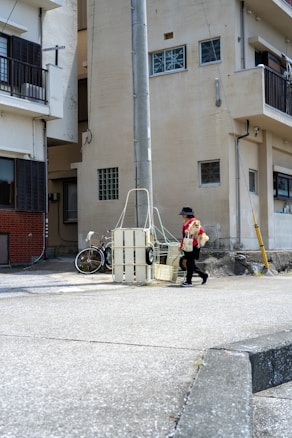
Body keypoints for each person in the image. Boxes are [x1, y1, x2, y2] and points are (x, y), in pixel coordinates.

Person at [178, 206, 208, 287]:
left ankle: (189, 281)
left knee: (190, 263)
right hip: (187, 245)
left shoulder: (194, 222)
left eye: (184, 214)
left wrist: (193, 232)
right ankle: (203, 275)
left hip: (193, 245)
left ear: (188, 215)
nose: (183, 216)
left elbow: (201, 231)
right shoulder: (185, 222)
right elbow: (184, 236)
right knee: (190, 263)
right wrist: (181, 245)